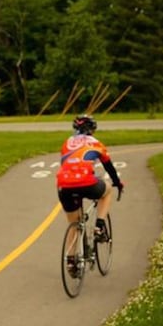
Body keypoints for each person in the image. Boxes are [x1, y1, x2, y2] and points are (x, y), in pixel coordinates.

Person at [56, 114, 123, 277]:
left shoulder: (67, 143)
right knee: (107, 191)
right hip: (87, 182)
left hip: (64, 185)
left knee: (74, 224)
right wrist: (117, 183)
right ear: (92, 130)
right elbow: (109, 166)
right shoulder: (96, 143)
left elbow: (66, 165)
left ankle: (71, 261)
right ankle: (99, 226)